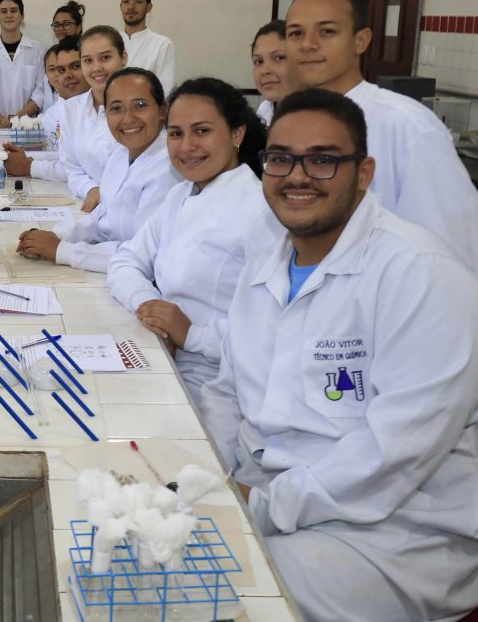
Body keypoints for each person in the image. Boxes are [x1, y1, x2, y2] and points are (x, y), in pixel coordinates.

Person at [199, 89, 478, 622]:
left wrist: (256, 504)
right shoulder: (267, 268)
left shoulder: (421, 275)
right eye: (280, 158)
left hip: (392, 534)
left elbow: (394, 453)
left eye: (323, 160)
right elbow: (227, 394)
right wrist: (202, 475)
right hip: (272, 494)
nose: (296, 176)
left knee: (220, 598)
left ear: (364, 172)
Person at [286, 0, 478, 271]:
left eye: (326, 31)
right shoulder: (293, 122)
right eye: (295, 33)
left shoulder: (406, 125)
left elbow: (449, 250)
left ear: (360, 41)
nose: (308, 45)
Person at [108, 77, 268, 402]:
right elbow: (125, 261)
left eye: (202, 131)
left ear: (237, 133)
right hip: (163, 350)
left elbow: (272, 332)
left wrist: (192, 336)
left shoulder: (260, 211)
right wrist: (150, 309)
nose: (186, 146)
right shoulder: (180, 195)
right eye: (176, 133)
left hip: (223, 382)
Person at [16, 68, 181, 271]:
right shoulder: (121, 154)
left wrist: (62, 250)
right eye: (116, 108)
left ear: (163, 110)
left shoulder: (169, 170)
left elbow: (144, 255)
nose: (128, 118)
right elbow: (103, 219)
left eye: (140, 105)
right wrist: (59, 235)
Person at [60, 26, 129, 209]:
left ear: (123, 58)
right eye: (88, 60)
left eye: (105, 58)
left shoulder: (141, 110)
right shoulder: (70, 110)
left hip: (132, 208)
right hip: (90, 208)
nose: (96, 68)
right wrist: (90, 189)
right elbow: (72, 169)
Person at [4, 36, 85, 182]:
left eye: (75, 66)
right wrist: (23, 157)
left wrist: (28, 166)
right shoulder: (56, 112)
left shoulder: (100, 108)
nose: (67, 75)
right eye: (59, 70)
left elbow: (82, 169)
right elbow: (62, 156)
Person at [119, 0, 175, 93]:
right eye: (126, 1)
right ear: (120, 6)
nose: (131, 7)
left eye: (138, 1)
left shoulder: (162, 45)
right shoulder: (110, 41)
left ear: (149, 7)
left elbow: (166, 92)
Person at [250, 19, 290, 125]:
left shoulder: (329, 116)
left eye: (278, 57)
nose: (264, 71)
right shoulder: (265, 109)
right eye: (258, 61)